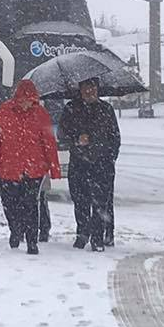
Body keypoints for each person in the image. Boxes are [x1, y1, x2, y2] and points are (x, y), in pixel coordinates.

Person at [0, 79, 61, 255]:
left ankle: (31, 241)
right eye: (23, 99)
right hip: (9, 168)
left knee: (31, 205)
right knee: (10, 203)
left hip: (34, 169)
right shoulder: (5, 111)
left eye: (29, 100)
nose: (26, 104)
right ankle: (15, 230)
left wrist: (54, 168)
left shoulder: (40, 113)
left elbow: (49, 142)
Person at [58, 77, 120, 252]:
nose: (89, 91)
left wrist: (110, 157)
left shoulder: (106, 109)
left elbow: (114, 137)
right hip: (79, 163)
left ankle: (98, 237)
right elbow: (62, 135)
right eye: (86, 88)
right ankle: (82, 233)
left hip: (102, 164)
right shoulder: (71, 108)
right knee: (80, 201)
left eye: (92, 88)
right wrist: (77, 140)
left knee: (101, 203)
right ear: (80, 89)